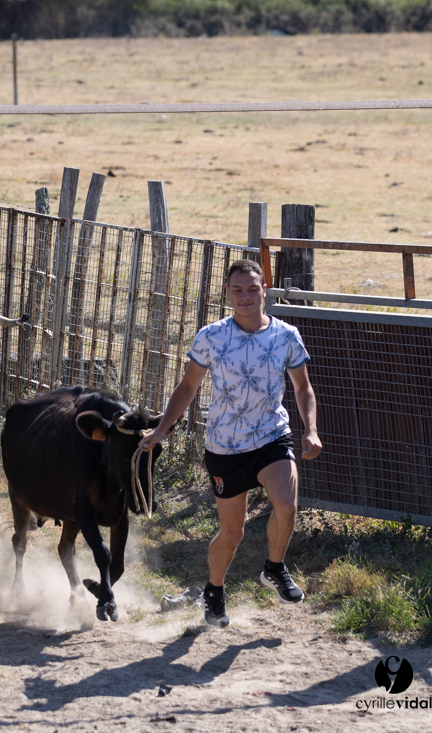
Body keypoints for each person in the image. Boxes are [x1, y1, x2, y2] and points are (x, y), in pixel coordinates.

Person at [139, 259, 322, 627]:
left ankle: (274, 568)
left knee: (286, 506)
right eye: (237, 290)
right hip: (224, 445)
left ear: (264, 291)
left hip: (272, 435)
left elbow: (303, 387)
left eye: (252, 289)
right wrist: (161, 428)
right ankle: (215, 591)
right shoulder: (211, 336)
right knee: (232, 532)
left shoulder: (286, 335)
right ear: (227, 294)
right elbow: (188, 386)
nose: (245, 297)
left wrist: (310, 429)